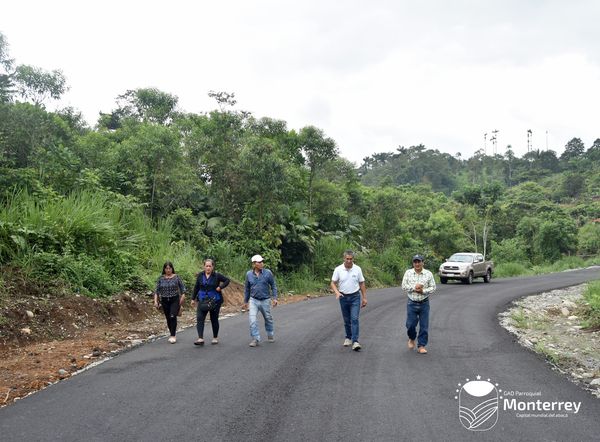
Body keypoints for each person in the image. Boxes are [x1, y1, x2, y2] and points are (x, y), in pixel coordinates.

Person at [330, 250, 367, 351]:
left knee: (354, 319)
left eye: (351, 259)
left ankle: (355, 341)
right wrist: (337, 292)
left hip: (355, 297)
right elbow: (332, 283)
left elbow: (362, 283)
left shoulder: (357, 269)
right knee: (346, 320)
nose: (349, 261)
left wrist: (364, 298)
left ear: (353, 259)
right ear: (344, 258)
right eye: (347, 259)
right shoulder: (338, 269)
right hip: (343, 297)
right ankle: (348, 337)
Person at [401, 254, 436, 354]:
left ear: (423, 263)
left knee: (424, 326)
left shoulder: (428, 274)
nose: (417, 264)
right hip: (412, 302)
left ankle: (421, 346)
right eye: (415, 262)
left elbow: (433, 287)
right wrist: (414, 288)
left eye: (419, 262)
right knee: (410, 325)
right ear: (413, 263)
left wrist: (423, 291)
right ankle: (412, 338)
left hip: (424, 303)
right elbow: (403, 286)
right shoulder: (408, 273)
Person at [191, 259, 230, 345]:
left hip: (214, 300)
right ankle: (200, 338)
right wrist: (193, 299)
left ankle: (215, 337)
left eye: (210, 266)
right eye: (206, 266)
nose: (208, 268)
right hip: (202, 299)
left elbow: (227, 280)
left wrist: (220, 287)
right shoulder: (200, 275)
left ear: (213, 267)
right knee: (200, 318)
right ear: (204, 267)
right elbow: (196, 287)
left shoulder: (217, 275)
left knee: (214, 319)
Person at [243, 254, 278, 347]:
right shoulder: (249, 274)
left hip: (265, 300)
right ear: (254, 264)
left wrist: (275, 298)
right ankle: (255, 338)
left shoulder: (268, 273)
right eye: (259, 262)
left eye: (262, 261)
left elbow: (273, 285)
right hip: (253, 300)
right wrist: (245, 301)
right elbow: (247, 289)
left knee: (268, 318)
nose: (262, 263)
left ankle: (270, 333)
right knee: (252, 320)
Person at [154, 261, 186, 343]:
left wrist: (182, 297)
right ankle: (171, 332)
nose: (168, 270)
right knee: (168, 318)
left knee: (172, 316)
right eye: (166, 268)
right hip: (164, 300)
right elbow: (156, 291)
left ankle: (173, 335)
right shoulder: (161, 278)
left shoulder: (176, 277)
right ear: (164, 269)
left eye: (169, 268)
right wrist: (155, 301)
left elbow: (182, 289)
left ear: (172, 269)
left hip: (174, 300)